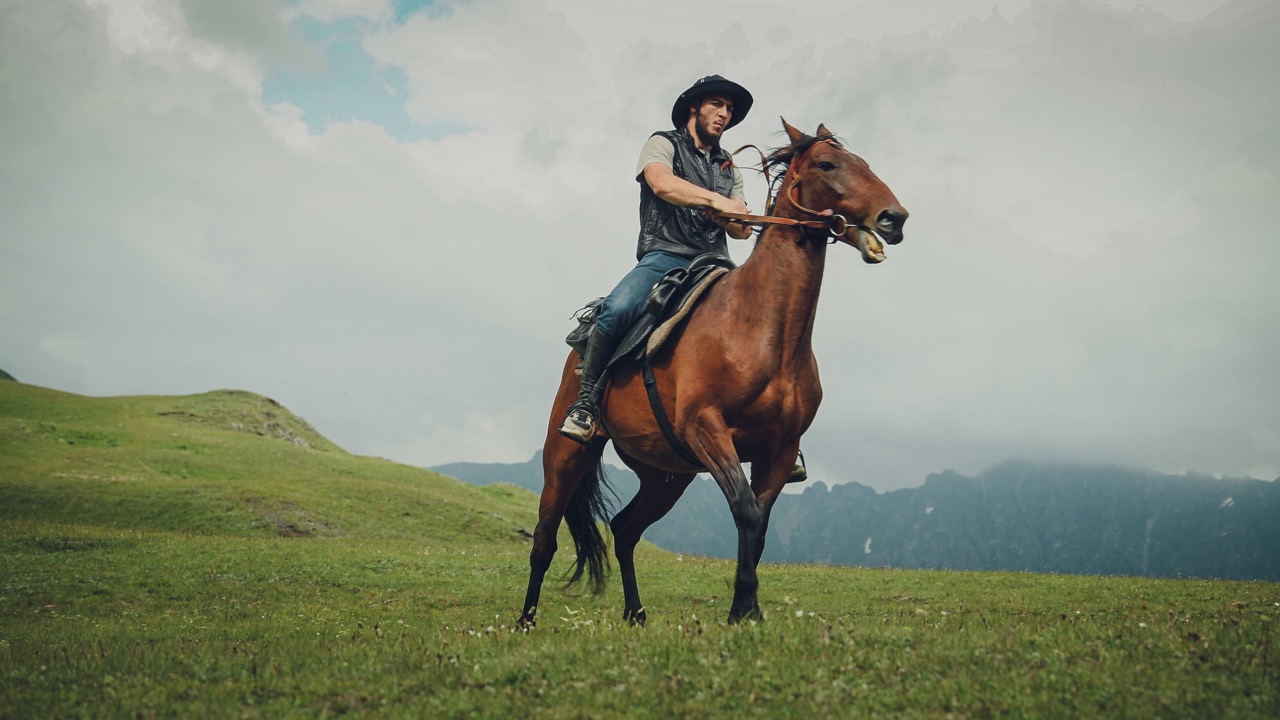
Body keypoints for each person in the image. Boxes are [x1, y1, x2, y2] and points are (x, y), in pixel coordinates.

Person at [558, 75, 755, 445]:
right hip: (666, 255)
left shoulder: (730, 166)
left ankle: (776, 431)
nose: (724, 114)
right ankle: (585, 405)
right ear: (694, 107)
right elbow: (662, 183)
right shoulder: (662, 143)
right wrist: (715, 201)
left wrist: (734, 218)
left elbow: (742, 230)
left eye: (729, 109)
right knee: (617, 309)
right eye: (717, 104)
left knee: (765, 322)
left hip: (716, 264)